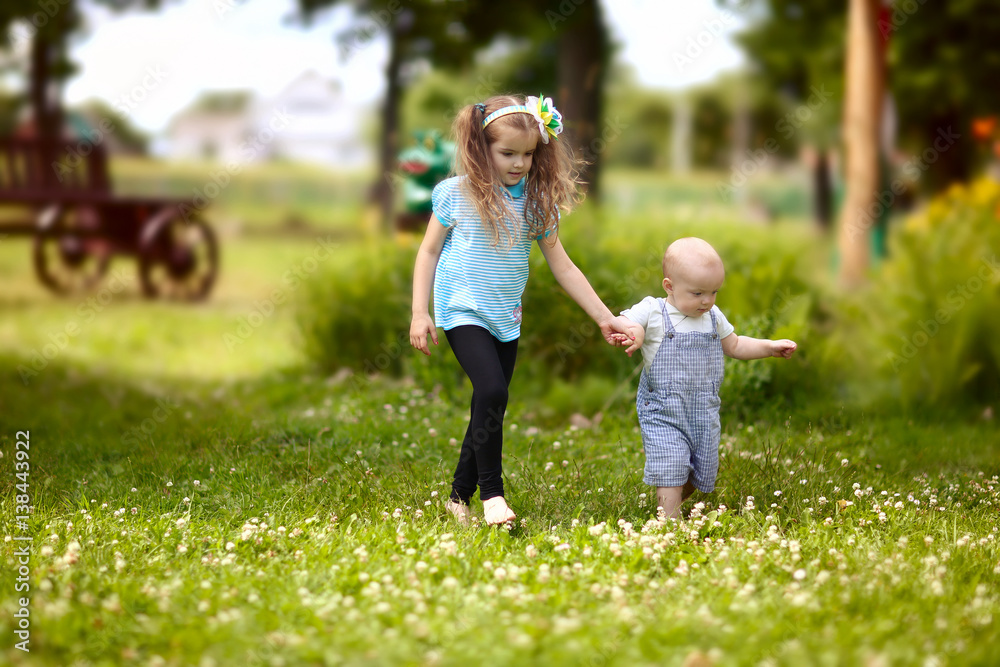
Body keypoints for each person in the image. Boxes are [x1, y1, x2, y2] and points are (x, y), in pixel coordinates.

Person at [409, 94, 634, 526]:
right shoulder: (455, 195)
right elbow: (428, 251)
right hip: (462, 309)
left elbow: (563, 267)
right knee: (492, 390)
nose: (519, 163)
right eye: (507, 153)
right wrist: (420, 313)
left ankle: (458, 498)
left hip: (504, 317)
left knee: (489, 403)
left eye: (528, 154)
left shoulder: (535, 203)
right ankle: (494, 497)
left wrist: (606, 317)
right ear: (481, 147)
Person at [612, 237, 797, 519]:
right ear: (669, 286)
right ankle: (668, 525)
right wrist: (634, 334)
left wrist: (769, 347)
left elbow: (735, 345)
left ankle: (674, 499)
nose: (707, 301)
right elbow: (629, 322)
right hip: (663, 411)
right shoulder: (653, 310)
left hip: (703, 411)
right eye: (698, 293)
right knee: (671, 462)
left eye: (714, 292)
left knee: (701, 470)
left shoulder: (712, 316)